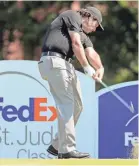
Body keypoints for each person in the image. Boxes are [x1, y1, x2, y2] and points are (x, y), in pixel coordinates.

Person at [38, 6, 104, 159]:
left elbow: (90, 52)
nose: (95, 29)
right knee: (67, 104)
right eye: (96, 25)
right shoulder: (72, 15)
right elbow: (75, 43)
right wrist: (87, 67)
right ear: (89, 16)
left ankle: (57, 145)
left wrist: (100, 67)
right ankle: (67, 149)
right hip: (54, 61)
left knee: (77, 106)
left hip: (66, 65)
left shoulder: (83, 34)